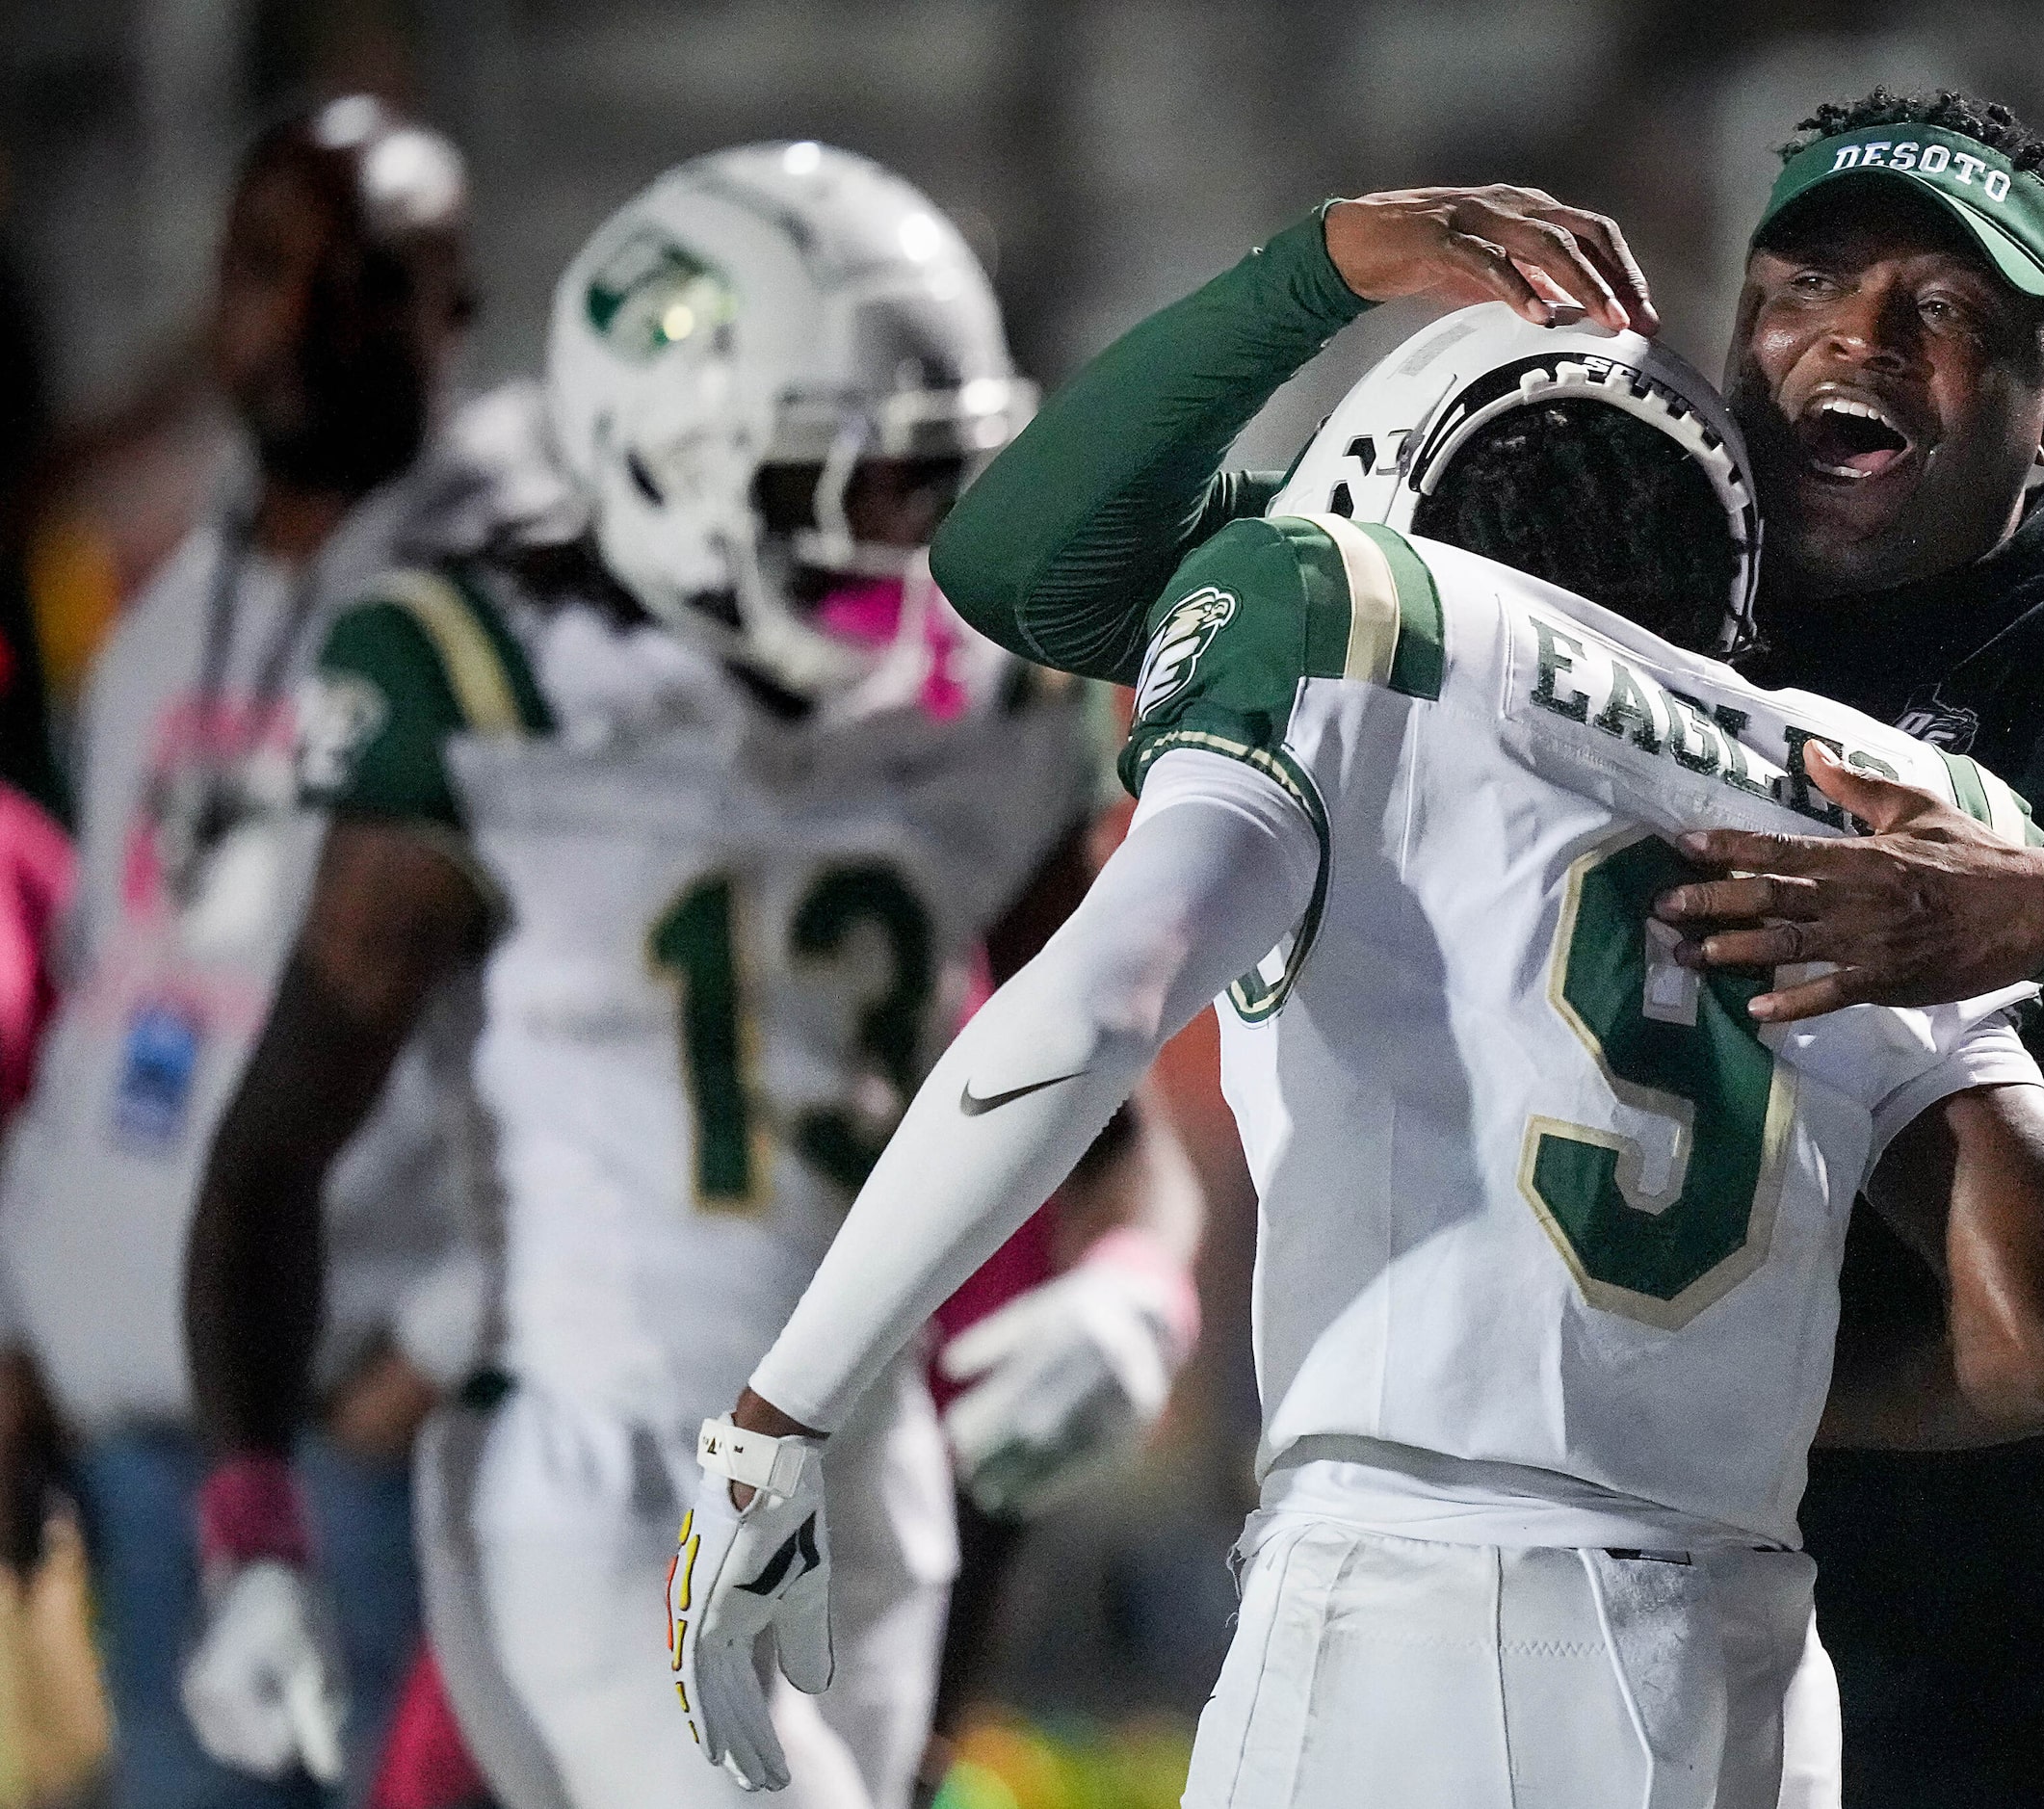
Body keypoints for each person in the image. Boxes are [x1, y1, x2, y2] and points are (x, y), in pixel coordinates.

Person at [918, 86, 2044, 1809]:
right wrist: (1318, 272)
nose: (1854, 338)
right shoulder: (1629, 552)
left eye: (1943, 312)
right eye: (1802, 290)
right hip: (1536, 1580)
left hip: (1925, 1606)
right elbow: (1032, 569)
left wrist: (2042, 904)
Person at [672, 303, 2044, 1808]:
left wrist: (781, 1415)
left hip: (1419, 1600)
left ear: (1387, 489)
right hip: (1750, 1663)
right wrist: (1712, 1381)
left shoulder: (1359, 618)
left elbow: (1100, 998)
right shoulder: (1871, 786)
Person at [175, 142, 1202, 1809]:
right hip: (602, 1463)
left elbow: (1111, 1114)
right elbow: (273, 1142)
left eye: (936, 476)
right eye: (862, 481)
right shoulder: (487, 683)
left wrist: (1134, 1287)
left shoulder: (985, 717)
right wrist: (250, 1521)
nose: (916, 535)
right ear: (679, 461)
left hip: (873, 1471)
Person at [0, 95, 485, 1809]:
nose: (304, 315)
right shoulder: (147, 632)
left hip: (363, 1438)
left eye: (366, 276)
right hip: (135, 1436)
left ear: (454, 310)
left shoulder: (504, 623)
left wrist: (439, 1337)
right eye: (267, 268)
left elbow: (582, 1020)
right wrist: (26, 1319)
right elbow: (102, 998)